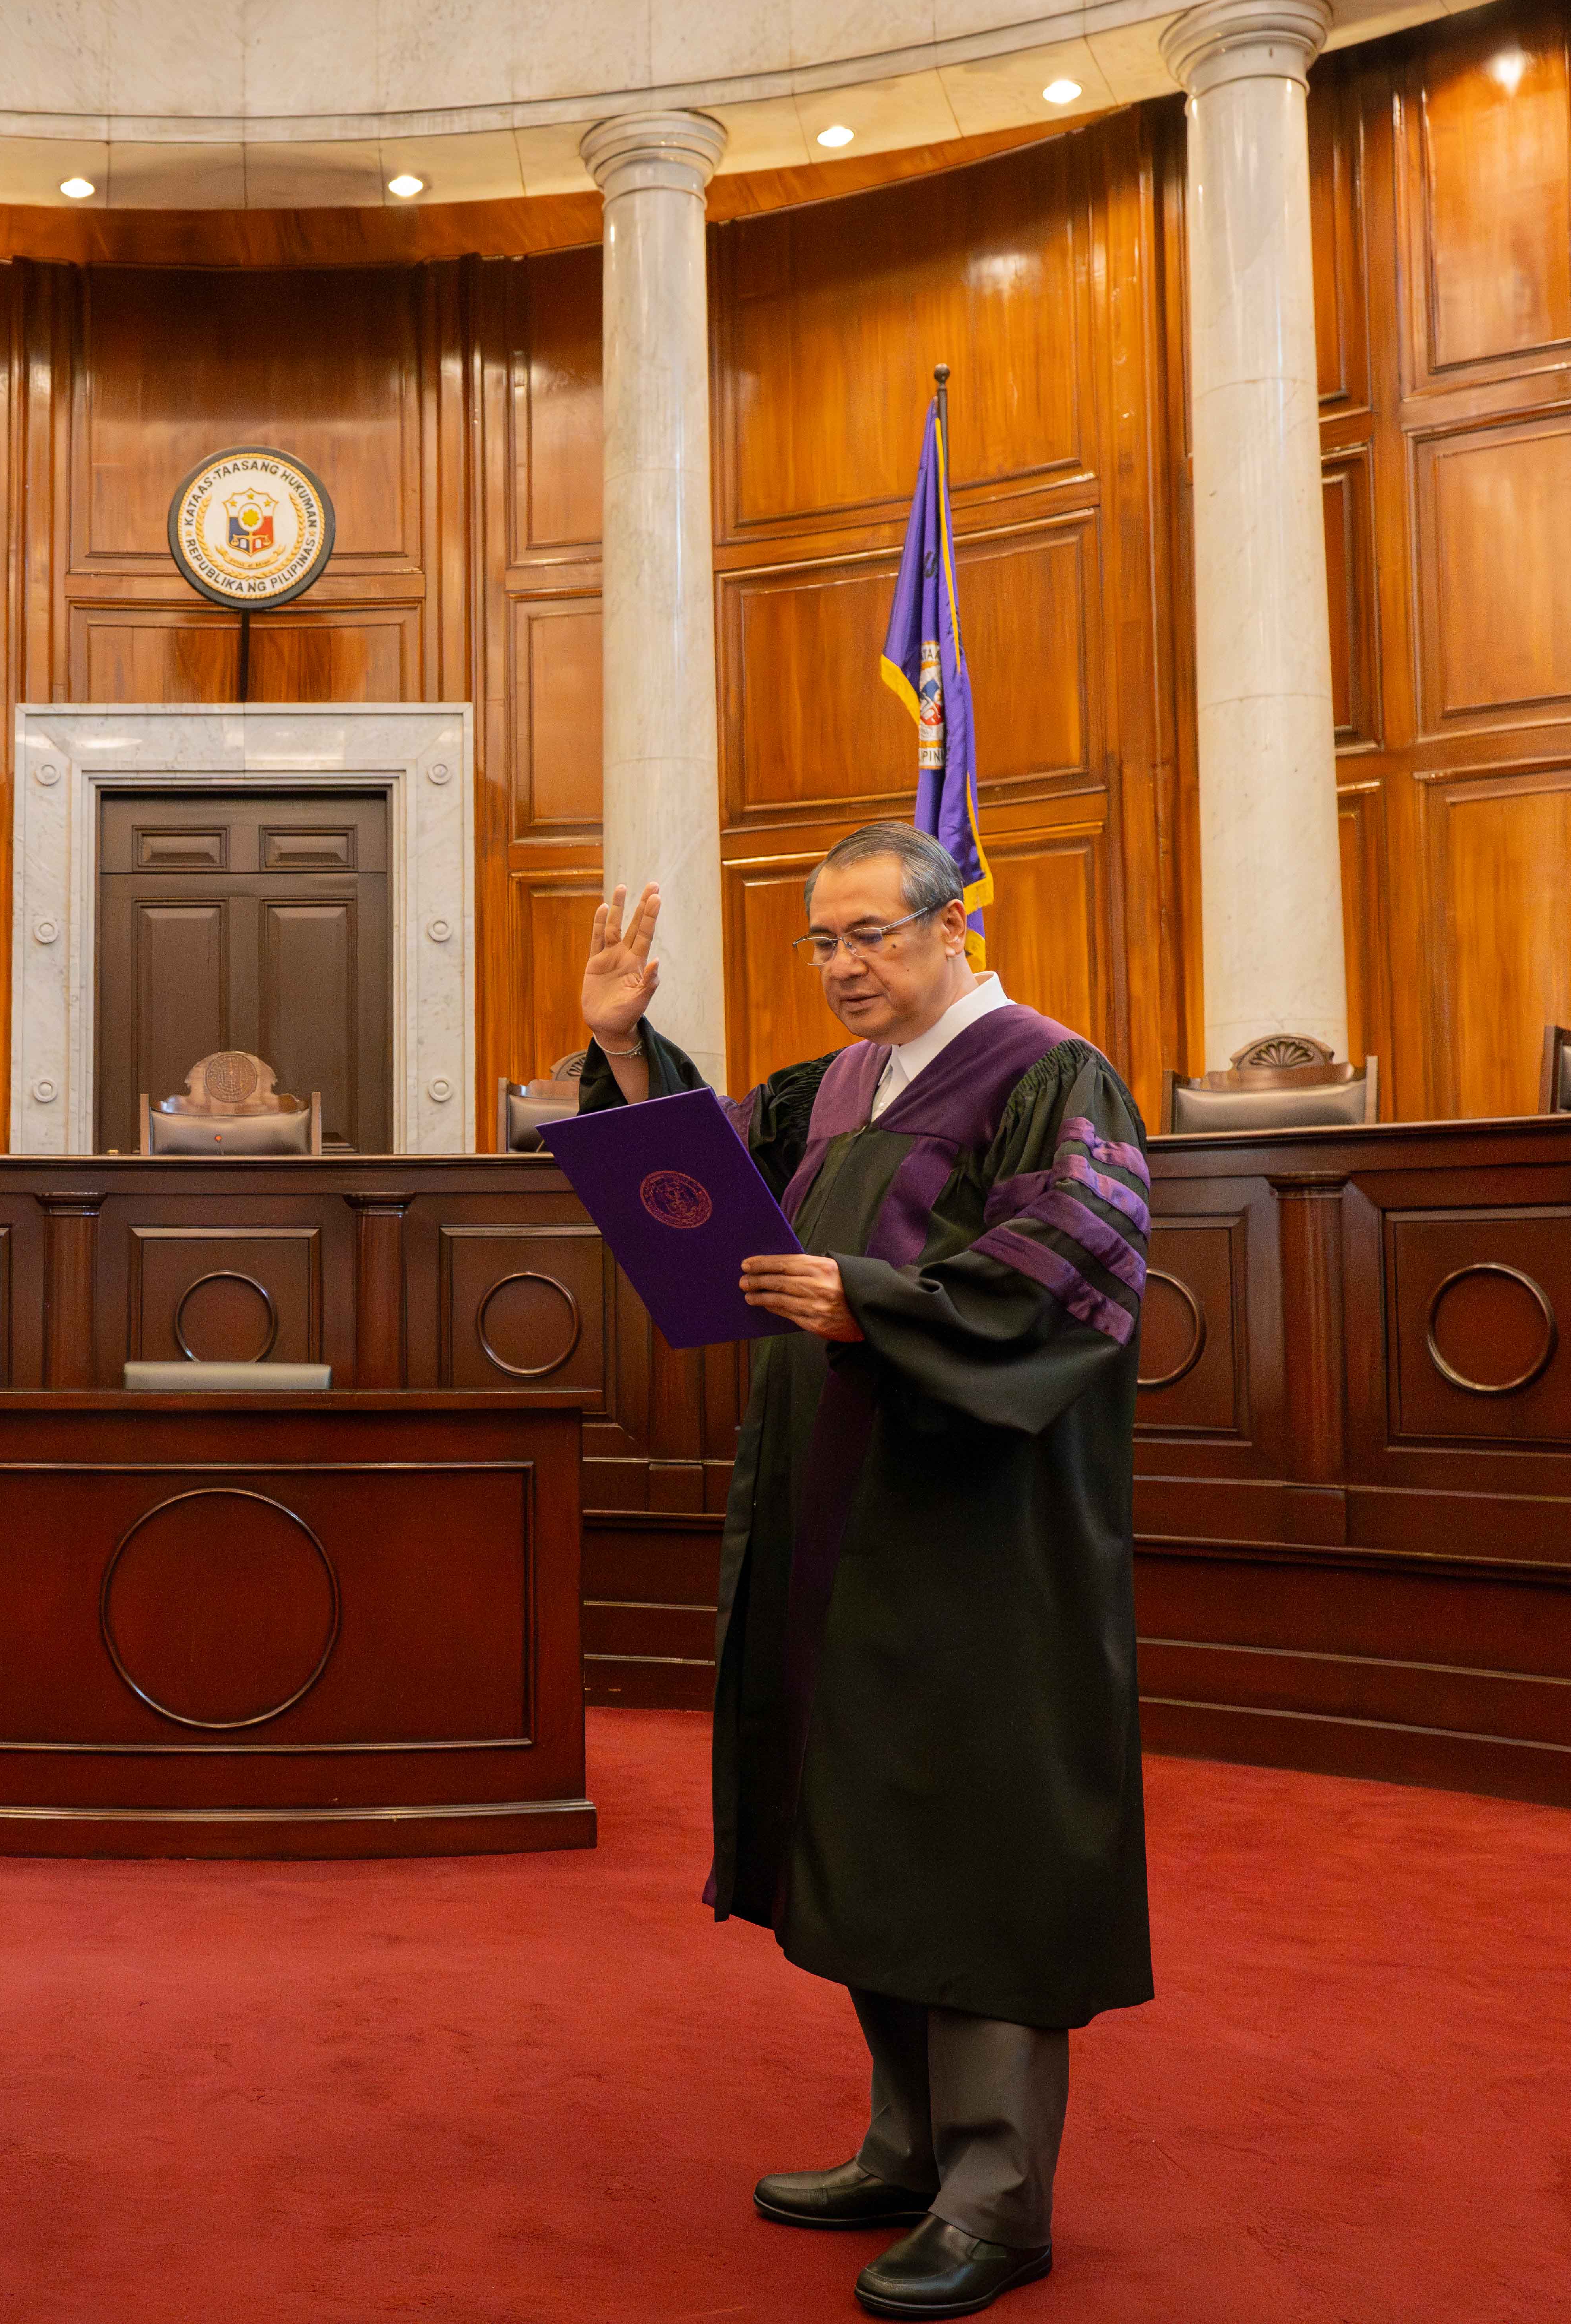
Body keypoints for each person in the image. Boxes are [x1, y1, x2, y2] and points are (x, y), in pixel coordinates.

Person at [577, 822, 1151, 2320]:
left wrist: (873, 1301)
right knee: (870, 1826)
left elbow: (1080, 1266)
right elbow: (701, 1192)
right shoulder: (836, 1086)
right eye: (822, 942)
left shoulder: (1044, 1071)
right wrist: (628, 1053)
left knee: (975, 1839)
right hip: (842, 1509)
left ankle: (997, 2201)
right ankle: (907, 2147)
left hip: (972, 1526)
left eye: (871, 936)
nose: (842, 967)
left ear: (956, 922)